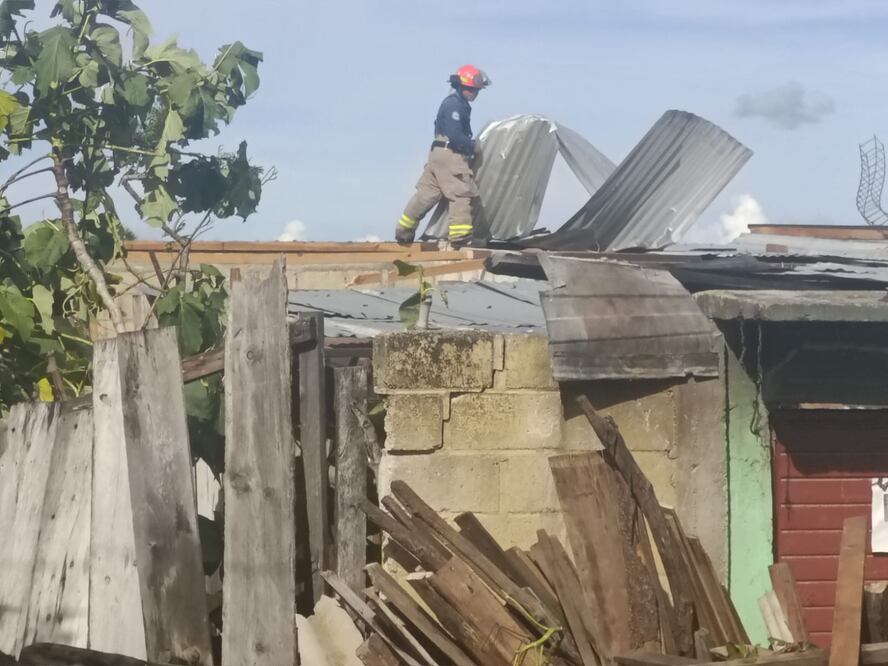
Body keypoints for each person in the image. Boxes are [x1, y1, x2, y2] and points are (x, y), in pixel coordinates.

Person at [395, 64, 491, 245]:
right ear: (461, 86)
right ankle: (460, 239)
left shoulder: (454, 103)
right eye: (472, 89)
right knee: (462, 193)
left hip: (438, 154)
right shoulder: (454, 105)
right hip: (450, 154)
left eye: (476, 90)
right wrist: (472, 147)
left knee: (426, 194)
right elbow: (455, 135)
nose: (474, 93)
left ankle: (404, 232)